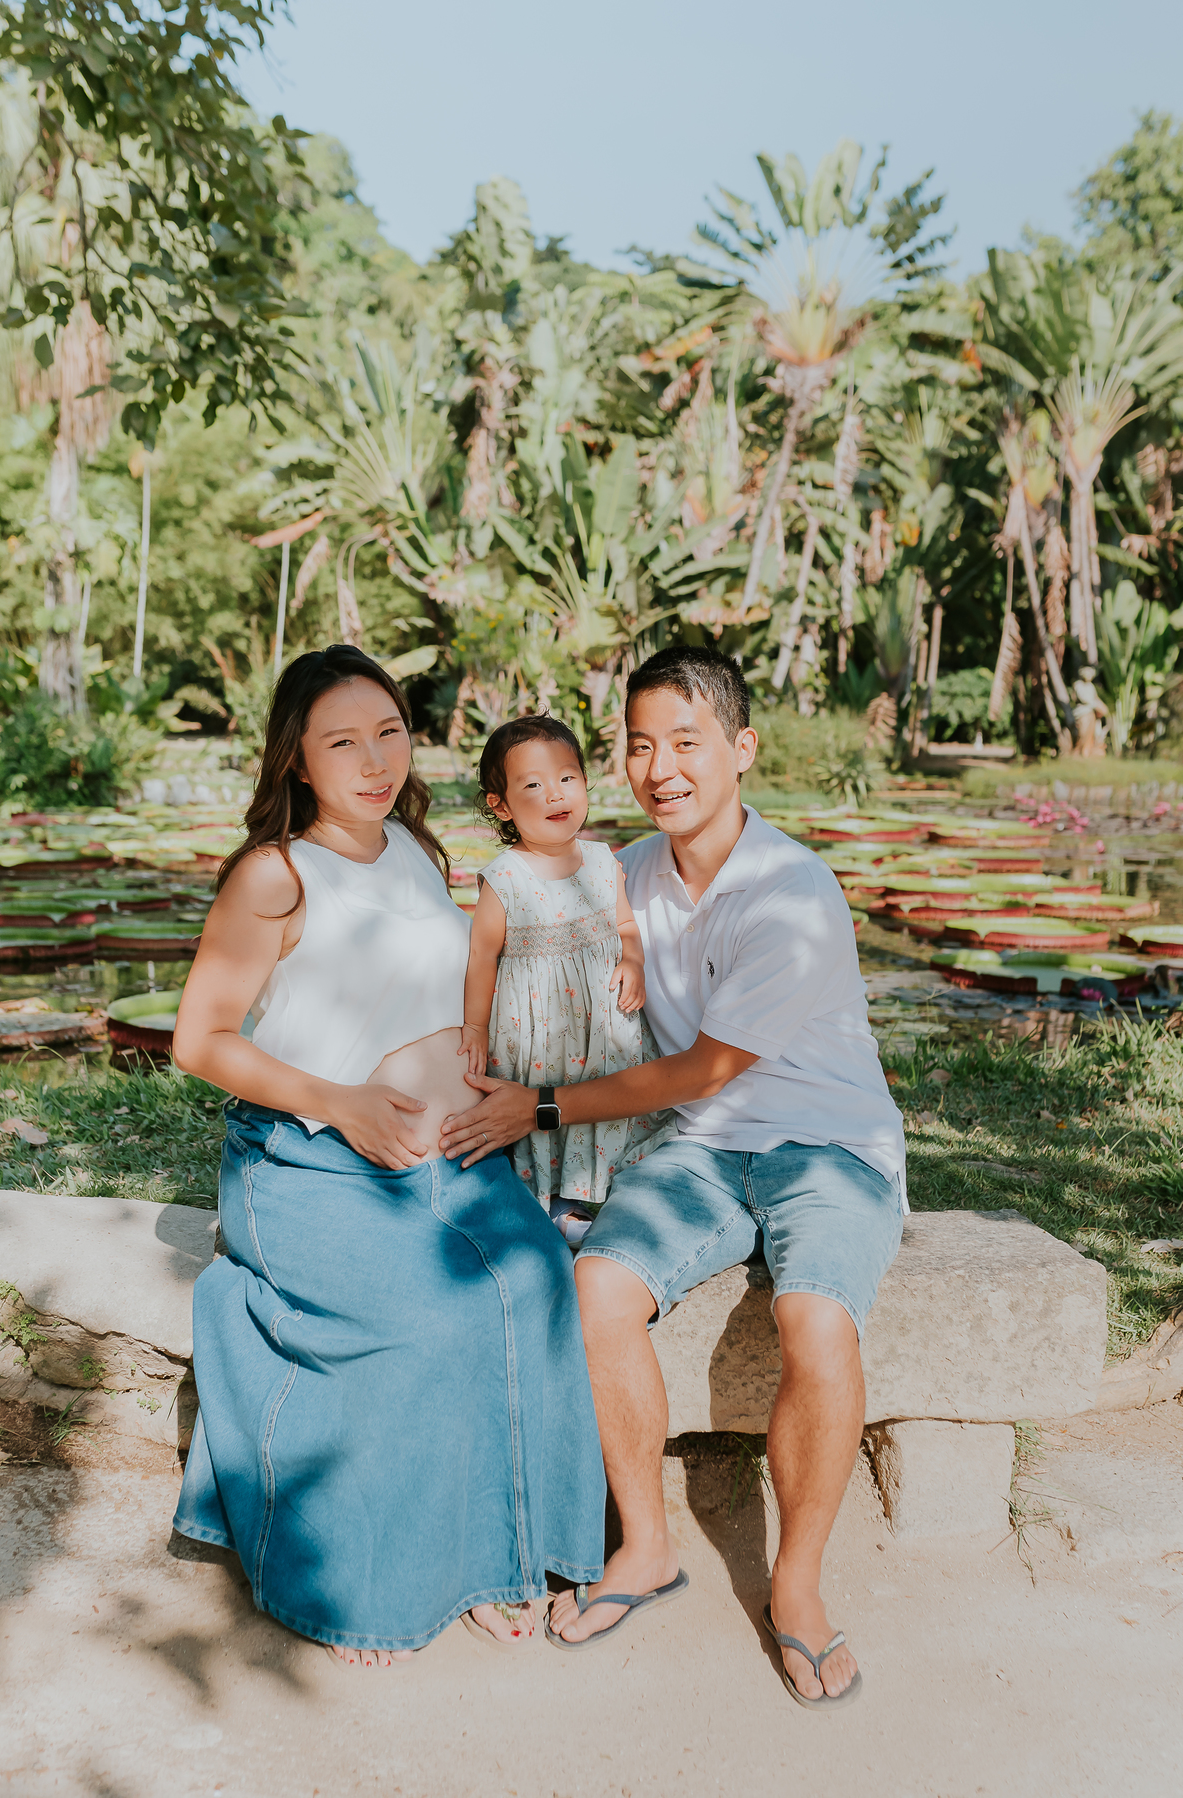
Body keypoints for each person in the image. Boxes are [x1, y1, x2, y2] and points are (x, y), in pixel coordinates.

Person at [441, 646, 906, 1709]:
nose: (661, 767)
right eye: (640, 745)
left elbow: (703, 1066)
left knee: (815, 1318)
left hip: (825, 1145)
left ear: (741, 749)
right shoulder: (624, 872)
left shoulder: (793, 890)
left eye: (686, 742)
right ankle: (645, 1547)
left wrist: (541, 1108)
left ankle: (794, 1585)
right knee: (597, 1287)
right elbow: (520, 941)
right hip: (693, 1150)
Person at [172, 645, 604, 1668]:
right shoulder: (274, 876)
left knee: (540, 1274)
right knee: (431, 1314)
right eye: (341, 742)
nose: (374, 760)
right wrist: (346, 1104)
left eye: (390, 733)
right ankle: (367, 1576)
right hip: (309, 1160)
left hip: (448, 1156)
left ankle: (511, 1551)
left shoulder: (413, 844)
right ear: (298, 759)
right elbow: (200, 1041)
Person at [462, 715, 674, 1244]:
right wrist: (472, 1027)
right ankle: (553, 1203)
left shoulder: (603, 862)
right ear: (502, 806)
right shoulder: (506, 876)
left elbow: (625, 923)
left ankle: (604, 1191)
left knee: (599, 1101)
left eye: (567, 777)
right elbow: (482, 957)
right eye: (533, 785)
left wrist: (633, 961)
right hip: (537, 1031)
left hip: (602, 1026)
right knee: (541, 1106)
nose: (555, 794)